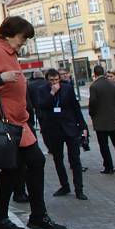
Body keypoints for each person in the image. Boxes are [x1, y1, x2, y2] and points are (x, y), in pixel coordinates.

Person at [0, 16, 66, 229]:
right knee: (24, 165)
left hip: (17, 122)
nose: (24, 42)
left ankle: (11, 218)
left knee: (19, 167)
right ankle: (28, 217)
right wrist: (0, 79)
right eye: (23, 37)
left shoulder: (10, 53)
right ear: (10, 33)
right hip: (7, 124)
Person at [34, 68, 89, 200]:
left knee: (75, 159)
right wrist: (52, 93)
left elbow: (75, 108)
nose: (54, 82)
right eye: (51, 80)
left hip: (69, 128)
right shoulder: (42, 90)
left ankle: (79, 189)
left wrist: (83, 127)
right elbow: (41, 106)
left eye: (56, 79)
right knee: (58, 159)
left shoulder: (67, 89)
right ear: (47, 80)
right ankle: (64, 185)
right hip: (54, 130)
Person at [89, 65, 115, 173]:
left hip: (100, 121)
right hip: (113, 119)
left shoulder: (94, 86)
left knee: (104, 145)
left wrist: (92, 114)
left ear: (94, 74)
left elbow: (93, 103)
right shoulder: (112, 84)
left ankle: (108, 167)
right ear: (104, 73)